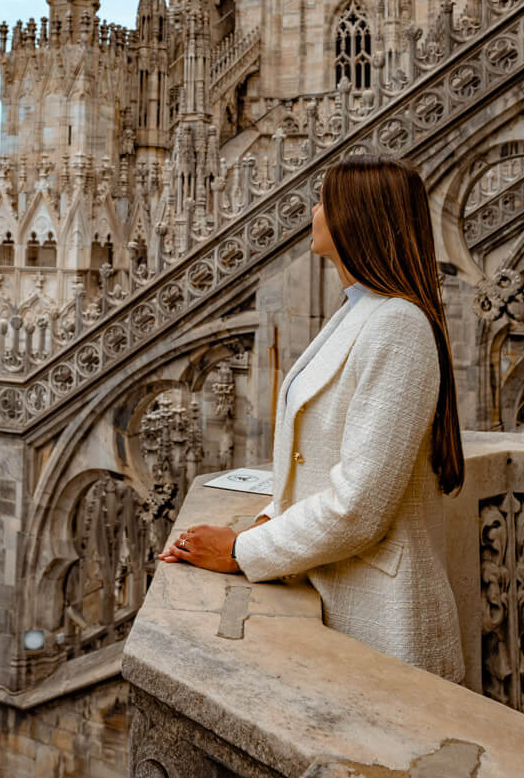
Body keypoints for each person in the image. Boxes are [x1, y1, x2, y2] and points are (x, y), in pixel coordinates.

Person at [158, 155, 465, 682]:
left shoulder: (398, 324)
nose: (314, 211)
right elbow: (315, 460)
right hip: (333, 592)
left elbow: (359, 507)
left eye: (324, 200)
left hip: (383, 618)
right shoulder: (358, 309)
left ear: (355, 217)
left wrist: (240, 550)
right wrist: (268, 519)